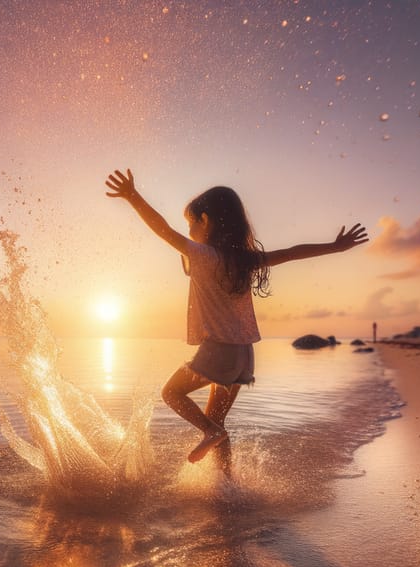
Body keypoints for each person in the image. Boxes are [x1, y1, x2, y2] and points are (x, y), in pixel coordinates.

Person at [105, 168, 368, 465]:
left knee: (172, 394)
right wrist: (336, 247)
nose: (188, 230)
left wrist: (133, 196)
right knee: (217, 424)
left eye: (190, 223)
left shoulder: (203, 256)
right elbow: (293, 252)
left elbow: (163, 230)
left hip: (219, 350)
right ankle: (226, 487)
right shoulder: (245, 260)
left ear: (206, 221)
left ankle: (208, 433)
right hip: (244, 355)